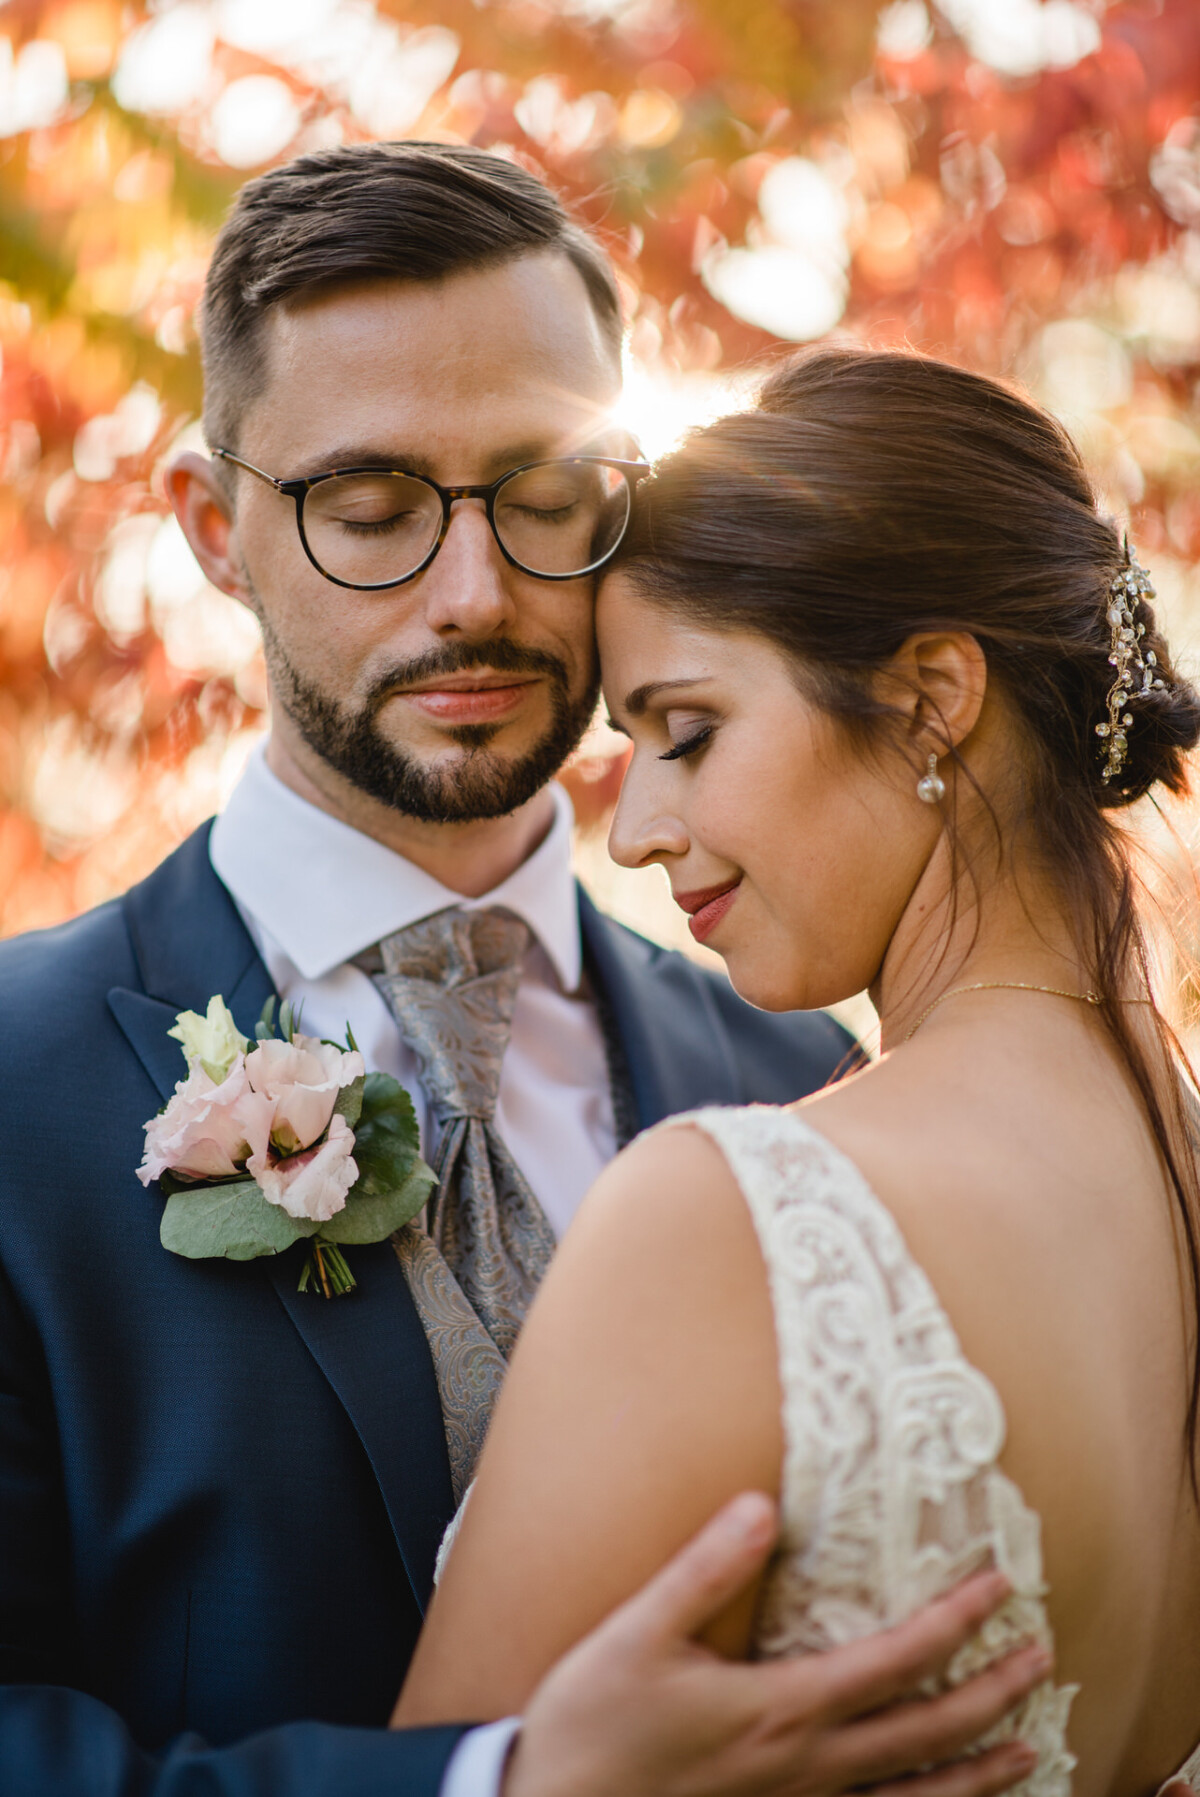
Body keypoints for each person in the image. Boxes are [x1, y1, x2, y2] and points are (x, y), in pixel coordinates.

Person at [0, 148, 1044, 1796]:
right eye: (369, 515)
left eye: (545, 498)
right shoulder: (15, 1080)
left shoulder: (803, 1085)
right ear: (214, 529)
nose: (473, 595)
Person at [393, 345, 1200, 1796]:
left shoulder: (735, 1217)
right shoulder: (1176, 1168)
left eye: (687, 734)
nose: (633, 830)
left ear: (932, 695)